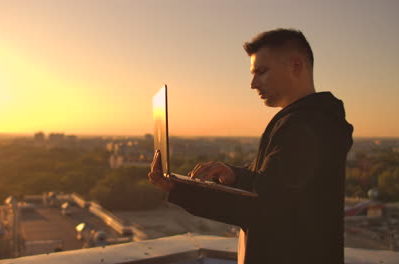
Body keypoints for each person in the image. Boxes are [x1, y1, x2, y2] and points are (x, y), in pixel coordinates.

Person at [148, 28, 353, 264]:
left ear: (296, 65)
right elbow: (277, 187)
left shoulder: (306, 126)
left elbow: (264, 208)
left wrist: (179, 190)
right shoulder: (308, 120)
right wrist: (235, 175)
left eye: (261, 72)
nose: (253, 83)